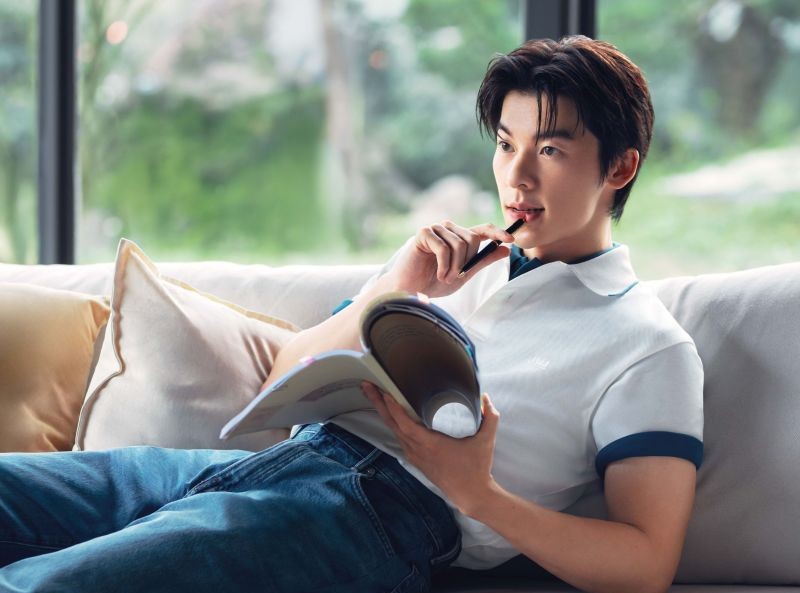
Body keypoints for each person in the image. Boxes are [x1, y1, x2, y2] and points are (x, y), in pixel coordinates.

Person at [0, 36, 703, 593]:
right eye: (505, 143)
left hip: (374, 518)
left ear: (619, 168)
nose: (516, 176)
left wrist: (478, 493)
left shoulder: (647, 345)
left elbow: (645, 561)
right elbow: (284, 372)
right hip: (272, 462)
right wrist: (393, 289)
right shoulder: (453, 265)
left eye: (549, 149)